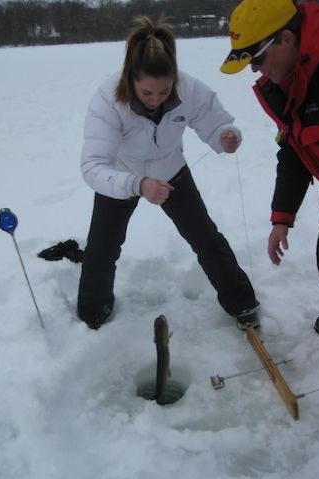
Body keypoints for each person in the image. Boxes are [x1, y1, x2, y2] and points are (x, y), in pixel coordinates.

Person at [78, 15, 259, 330]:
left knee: (205, 238)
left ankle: (241, 303)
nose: (155, 100)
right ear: (130, 79)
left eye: (164, 92)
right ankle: (93, 313)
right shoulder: (108, 99)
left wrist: (226, 136)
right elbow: (93, 166)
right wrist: (138, 184)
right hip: (121, 176)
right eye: (147, 93)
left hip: (171, 170)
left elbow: (215, 123)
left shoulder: (189, 88)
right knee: (102, 249)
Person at [220, 0, 319, 334]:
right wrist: (282, 217)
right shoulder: (290, 83)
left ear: (287, 39)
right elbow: (295, 151)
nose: (255, 69)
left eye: (258, 57)